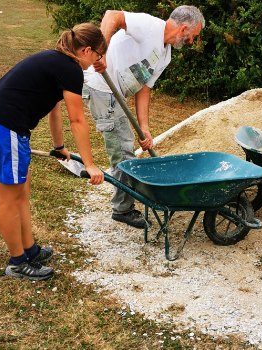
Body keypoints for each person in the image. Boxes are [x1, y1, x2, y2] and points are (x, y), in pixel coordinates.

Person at [0, 23, 106, 280]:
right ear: (87, 50)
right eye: (98, 56)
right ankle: (18, 262)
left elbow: (54, 109)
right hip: (2, 128)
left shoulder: (56, 62)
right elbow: (77, 120)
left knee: (21, 190)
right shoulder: (70, 69)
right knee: (10, 198)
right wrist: (89, 164)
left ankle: (30, 250)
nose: (96, 63)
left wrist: (59, 147)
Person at [83, 5, 205, 228]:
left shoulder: (165, 54)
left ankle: (126, 203)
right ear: (184, 28)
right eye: (192, 37)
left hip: (116, 92)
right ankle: (123, 209)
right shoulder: (150, 26)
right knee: (123, 151)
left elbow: (144, 88)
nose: (190, 42)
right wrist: (101, 52)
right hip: (101, 86)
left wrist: (145, 127)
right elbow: (113, 16)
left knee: (126, 149)